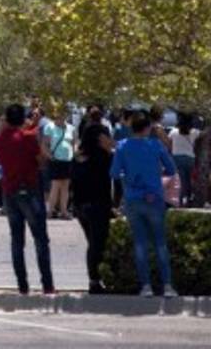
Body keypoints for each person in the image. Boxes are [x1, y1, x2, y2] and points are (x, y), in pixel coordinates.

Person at [111, 111, 178, 298]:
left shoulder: (123, 146)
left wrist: (129, 178)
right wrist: (155, 174)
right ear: (148, 128)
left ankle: (146, 286)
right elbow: (171, 169)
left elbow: (115, 173)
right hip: (154, 197)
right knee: (160, 243)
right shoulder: (155, 145)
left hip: (133, 198)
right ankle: (167, 285)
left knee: (140, 244)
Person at [0, 103, 55, 295]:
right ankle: (47, 284)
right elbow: (43, 159)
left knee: (17, 240)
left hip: (9, 190)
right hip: (29, 189)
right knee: (40, 239)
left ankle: (22, 285)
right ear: (22, 118)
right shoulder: (29, 138)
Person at [72, 107, 114, 294]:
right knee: (98, 244)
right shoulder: (103, 158)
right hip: (98, 204)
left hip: (81, 206)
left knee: (93, 243)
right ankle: (95, 281)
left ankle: (95, 279)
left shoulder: (79, 158)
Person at [43, 109, 75, 219]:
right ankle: (50, 211)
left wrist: (74, 154)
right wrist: (50, 156)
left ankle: (64, 211)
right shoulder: (49, 127)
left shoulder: (71, 128)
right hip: (55, 160)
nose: (61, 116)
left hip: (68, 160)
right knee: (55, 186)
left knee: (65, 187)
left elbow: (74, 143)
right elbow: (45, 144)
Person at [169, 113, 199, 208]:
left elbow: (169, 142)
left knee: (180, 181)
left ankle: (180, 201)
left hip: (177, 158)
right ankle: (188, 199)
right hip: (190, 159)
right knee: (189, 181)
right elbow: (205, 133)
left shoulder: (173, 132)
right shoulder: (194, 132)